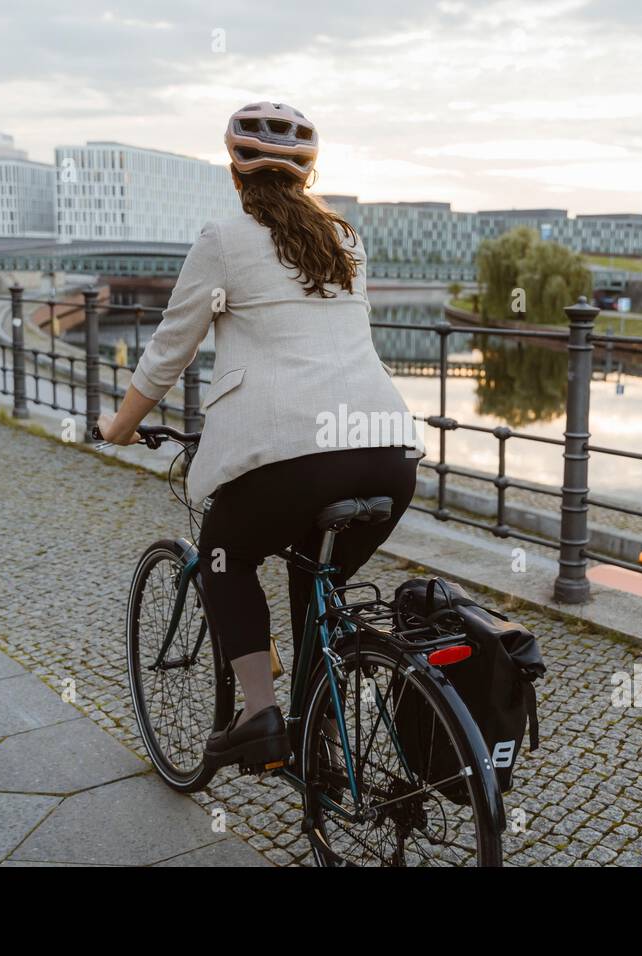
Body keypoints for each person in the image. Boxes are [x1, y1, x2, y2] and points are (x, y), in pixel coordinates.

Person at [98, 102, 424, 770]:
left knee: (225, 556)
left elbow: (170, 348)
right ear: (308, 174)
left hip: (294, 459)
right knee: (317, 584)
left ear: (234, 171)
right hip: (388, 453)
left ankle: (261, 718)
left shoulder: (223, 238)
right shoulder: (346, 241)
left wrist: (121, 426)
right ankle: (320, 740)